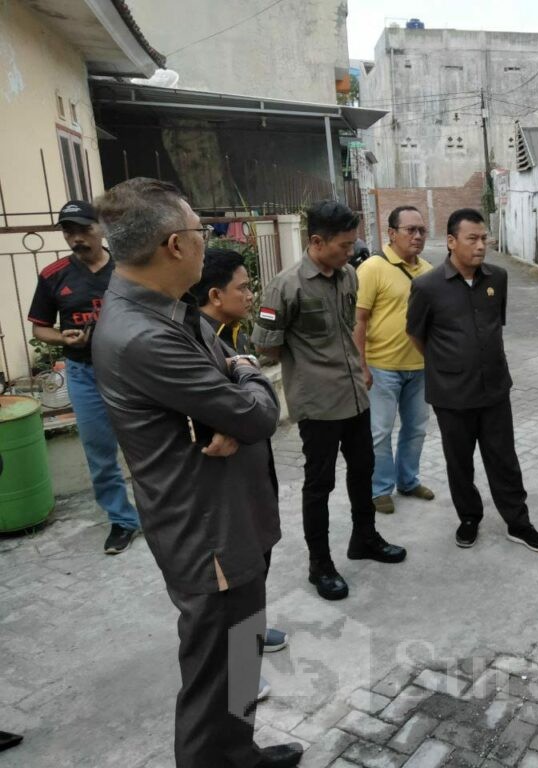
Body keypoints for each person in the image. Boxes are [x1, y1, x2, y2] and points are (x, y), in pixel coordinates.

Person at [91, 178, 302, 767]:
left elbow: (233, 407)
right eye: (200, 232)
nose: (208, 243)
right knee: (214, 680)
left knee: (242, 652)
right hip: (207, 532)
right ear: (172, 245)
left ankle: (242, 755)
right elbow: (258, 414)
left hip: (233, 518)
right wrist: (246, 372)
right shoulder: (143, 335)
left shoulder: (171, 311)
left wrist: (230, 394)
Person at [252, 201, 406, 602]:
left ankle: (365, 538)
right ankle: (319, 564)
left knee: (363, 470)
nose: (350, 251)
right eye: (343, 244)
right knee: (319, 483)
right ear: (316, 242)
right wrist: (309, 364)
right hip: (318, 403)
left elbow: (351, 327)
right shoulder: (285, 286)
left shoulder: (349, 276)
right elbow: (265, 345)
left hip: (355, 394)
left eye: (353, 243)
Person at [406, 208, 538, 553]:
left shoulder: (497, 278)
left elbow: (493, 326)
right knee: (459, 461)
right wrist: (447, 363)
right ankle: (469, 518)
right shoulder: (427, 286)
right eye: (472, 238)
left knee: (504, 458)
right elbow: (416, 334)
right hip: (451, 394)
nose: (481, 245)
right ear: (452, 242)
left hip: (494, 389)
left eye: (484, 238)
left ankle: (519, 522)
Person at [192, 247, 289, 701]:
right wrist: (251, 375)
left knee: (257, 566)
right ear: (215, 294)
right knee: (237, 578)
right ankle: (240, 672)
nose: (251, 294)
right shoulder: (197, 340)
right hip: (225, 488)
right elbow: (257, 410)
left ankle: (254, 632)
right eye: (243, 287)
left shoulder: (221, 336)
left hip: (250, 476)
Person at [26, 200, 141, 554]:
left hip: (131, 372)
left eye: (83, 229)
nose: (76, 238)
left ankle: (166, 512)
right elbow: (41, 329)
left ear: (102, 228)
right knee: (99, 451)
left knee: (147, 445)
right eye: (68, 231)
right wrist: (63, 338)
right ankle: (122, 520)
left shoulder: (128, 269)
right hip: (83, 374)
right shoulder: (53, 275)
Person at [354, 206, 434, 515]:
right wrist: (362, 366)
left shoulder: (428, 270)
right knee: (380, 431)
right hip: (381, 368)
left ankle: (409, 481)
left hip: (420, 367)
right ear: (391, 233)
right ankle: (380, 489)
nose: (417, 236)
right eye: (410, 230)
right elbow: (358, 320)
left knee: (415, 429)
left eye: (421, 231)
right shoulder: (373, 268)